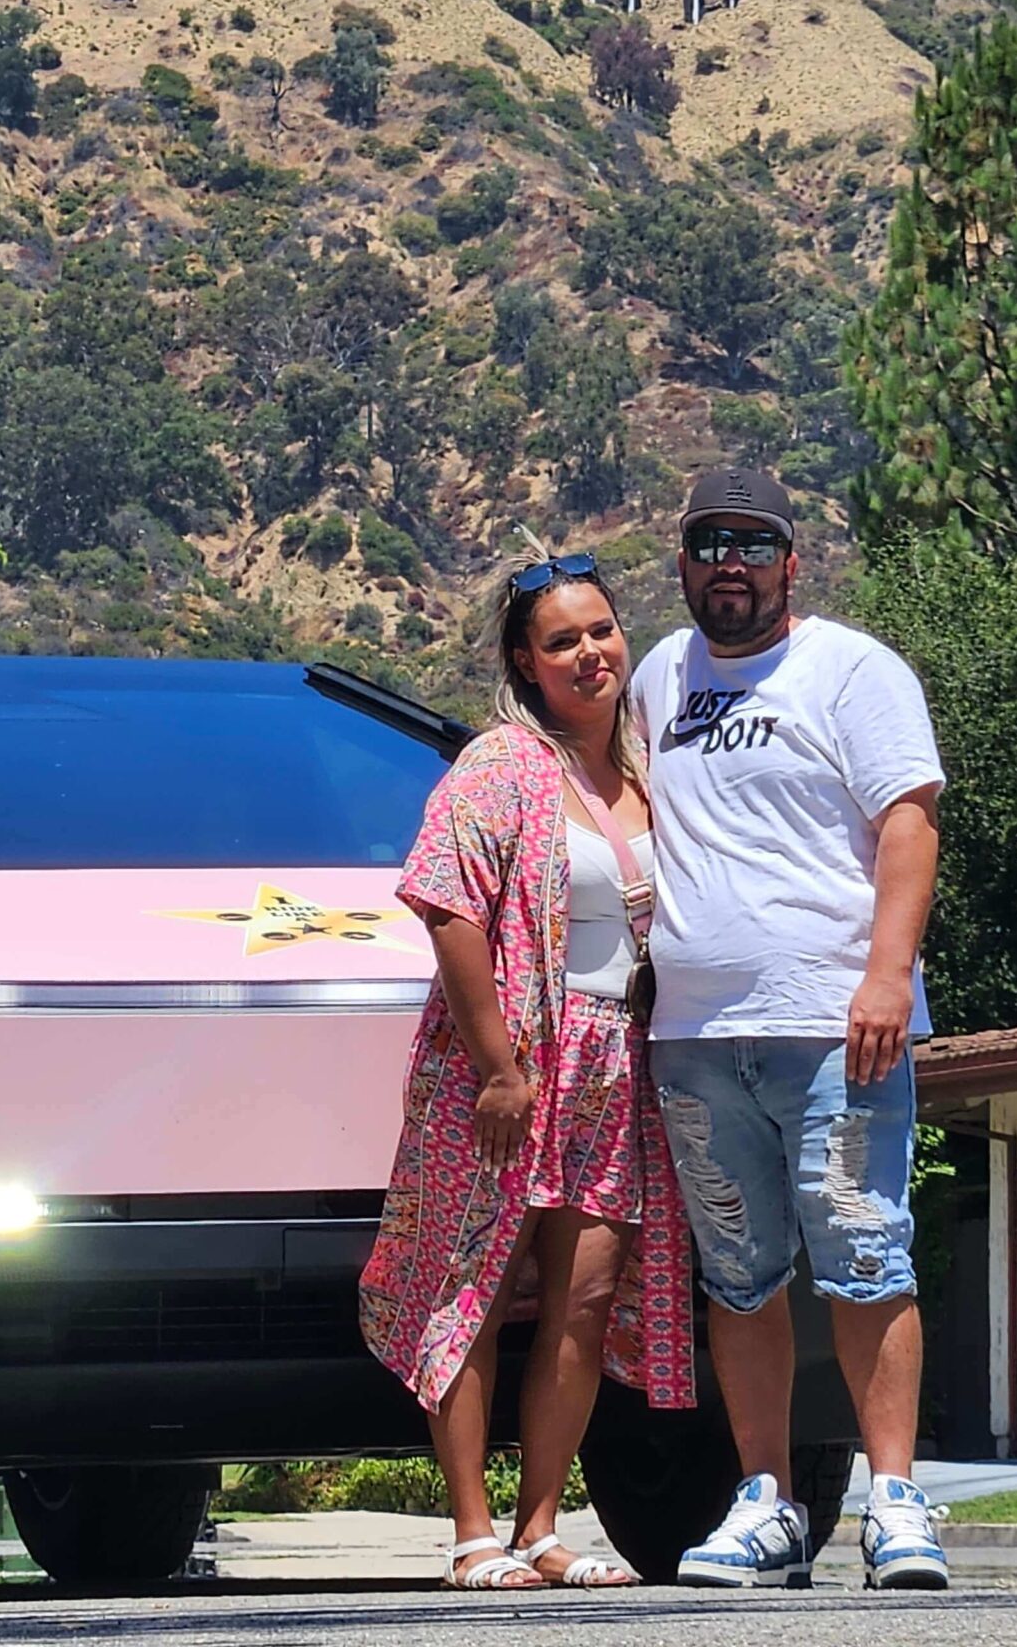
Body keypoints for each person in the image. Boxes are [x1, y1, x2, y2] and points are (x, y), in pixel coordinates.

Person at [632, 467, 947, 1591]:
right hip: (695, 1038)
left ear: (789, 562)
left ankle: (898, 1503)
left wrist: (886, 977)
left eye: (753, 544)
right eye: (710, 542)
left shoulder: (852, 668)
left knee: (864, 1257)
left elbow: (908, 825)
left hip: (834, 1025)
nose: (731, 562)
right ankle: (766, 1499)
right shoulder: (660, 675)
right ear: (682, 563)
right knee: (738, 1274)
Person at [360, 550, 693, 1590]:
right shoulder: (504, 764)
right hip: (507, 1069)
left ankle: (543, 1523)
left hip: (614, 1064)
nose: (590, 653)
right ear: (525, 661)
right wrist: (498, 1064)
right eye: (563, 641)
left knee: (585, 1296)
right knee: (472, 1281)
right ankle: (471, 1532)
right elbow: (448, 904)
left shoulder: (643, 769)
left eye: (601, 631)